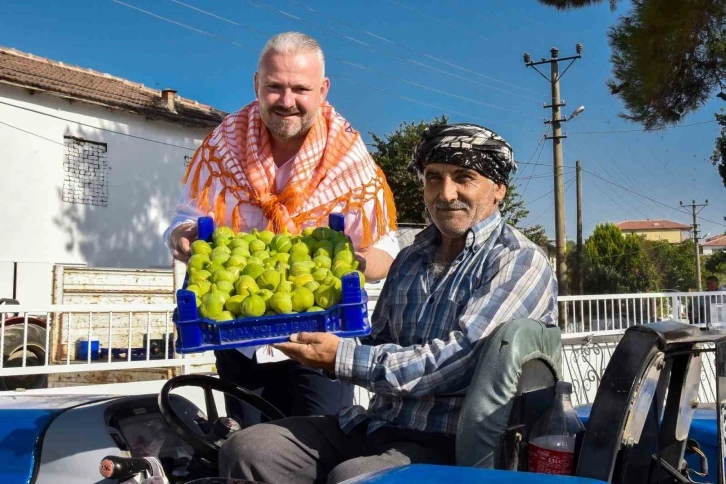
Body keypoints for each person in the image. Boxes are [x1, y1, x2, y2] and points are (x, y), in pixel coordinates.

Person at [218, 123, 558, 483]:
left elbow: (460, 359)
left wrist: (342, 357)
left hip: (453, 444)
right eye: (433, 177)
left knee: (355, 477)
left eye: (464, 178)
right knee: (249, 449)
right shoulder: (411, 259)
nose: (445, 193)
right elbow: (375, 340)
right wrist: (305, 330)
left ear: (498, 189)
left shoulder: (517, 260)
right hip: (376, 424)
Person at [163, 32, 399, 426]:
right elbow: (187, 213)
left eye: (300, 89)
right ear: (257, 83)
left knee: (319, 452)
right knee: (249, 453)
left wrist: (361, 262)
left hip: (320, 342)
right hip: (239, 340)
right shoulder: (222, 146)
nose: (286, 101)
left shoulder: (349, 158)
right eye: (274, 87)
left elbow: (386, 246)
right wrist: (181, 234)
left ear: (322, 90)